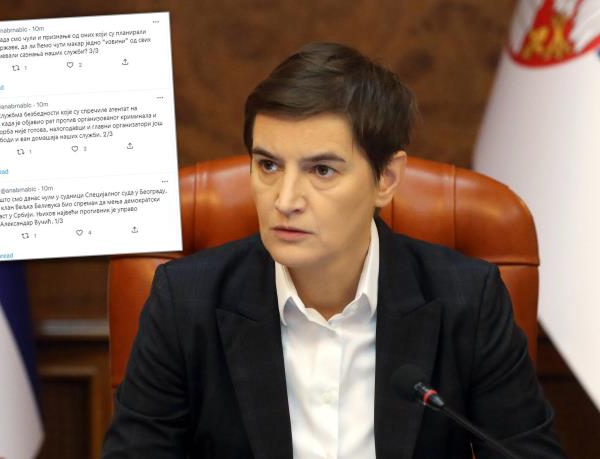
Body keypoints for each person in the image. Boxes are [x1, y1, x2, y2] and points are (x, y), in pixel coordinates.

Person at [101, 42, 565, 458]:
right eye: (268, 165)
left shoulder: (469, 298)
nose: (285, 200)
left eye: (322, 170)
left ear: (386, 179)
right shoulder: (185, 302)